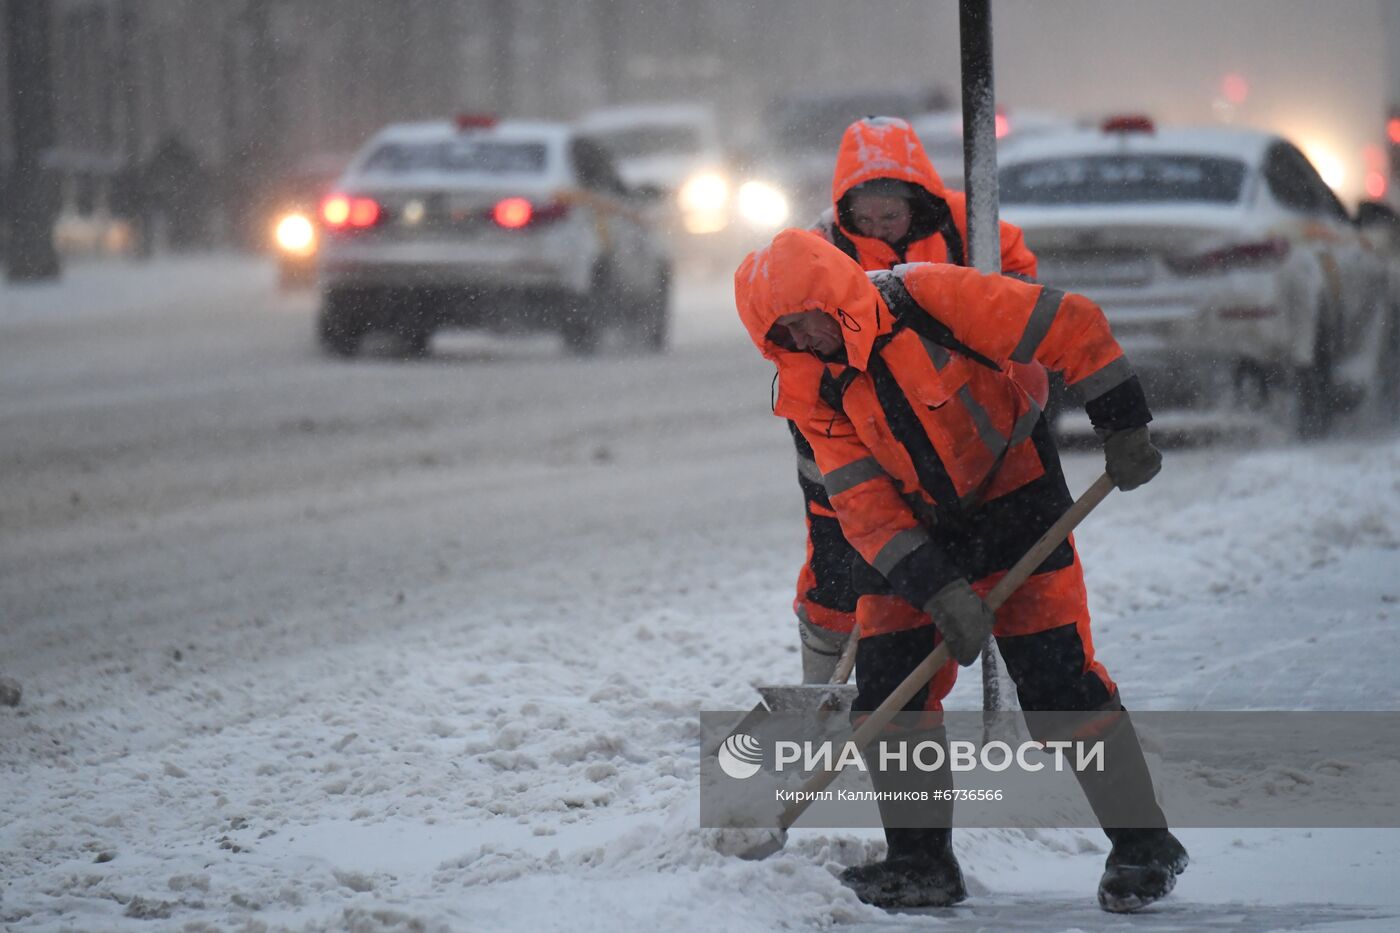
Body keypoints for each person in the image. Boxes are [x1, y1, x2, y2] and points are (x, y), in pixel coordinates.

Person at [734, 228, 1187, 913]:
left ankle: (1144, 844)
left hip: (1017, 495)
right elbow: (863, 504)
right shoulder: (812, 393)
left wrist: (1122, 424)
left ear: (837, 296)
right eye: (786, 332)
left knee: (1058, 684)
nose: (807, 338)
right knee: (888, 693)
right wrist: (939, 589)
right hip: (911, 532)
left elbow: (1071, 323)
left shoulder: (931, 298)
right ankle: (920, 862)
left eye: (811, 318)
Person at [793, 115, 1047, 685]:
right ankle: (823, 683)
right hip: (849, 427)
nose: (878, 228)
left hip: (962, 425)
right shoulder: (818, 252)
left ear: (919, 200)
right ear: (843, 209)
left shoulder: (974, 230)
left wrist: (1013, 406)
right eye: (864, 217)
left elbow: (1023, 314)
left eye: (891, 214)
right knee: (839, 558)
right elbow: (799, 357)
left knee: (981, 564)